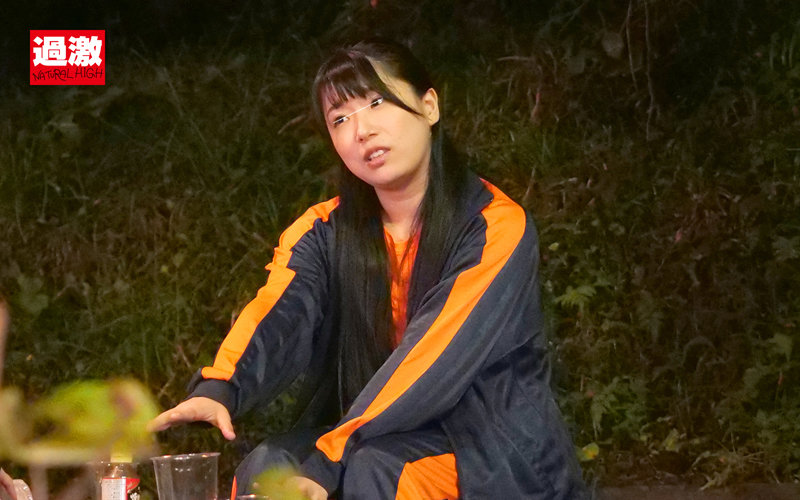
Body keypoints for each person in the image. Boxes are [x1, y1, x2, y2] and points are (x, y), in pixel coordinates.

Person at [149, 38, 587, 499]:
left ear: (429, 106)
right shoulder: (323, 231)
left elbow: (432, 359)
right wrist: (220, 387)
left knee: (376, 470)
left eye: (377, 102)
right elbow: (281, 311)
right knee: (269, 465)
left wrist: (330, 459)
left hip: (490, 445)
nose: (362, 130)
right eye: (340, 119)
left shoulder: (493, 226)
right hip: (375, 434)